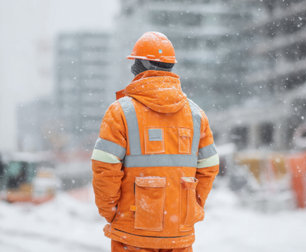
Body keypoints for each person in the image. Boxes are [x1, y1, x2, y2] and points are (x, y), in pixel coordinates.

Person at [91, 31, 219, 252]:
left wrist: (110, 211)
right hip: (179, 232)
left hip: (133, 232)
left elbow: (105, 168)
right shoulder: (196, 115)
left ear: (140, 65)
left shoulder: (120, 112)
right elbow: (209, 167)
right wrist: (190, 206)